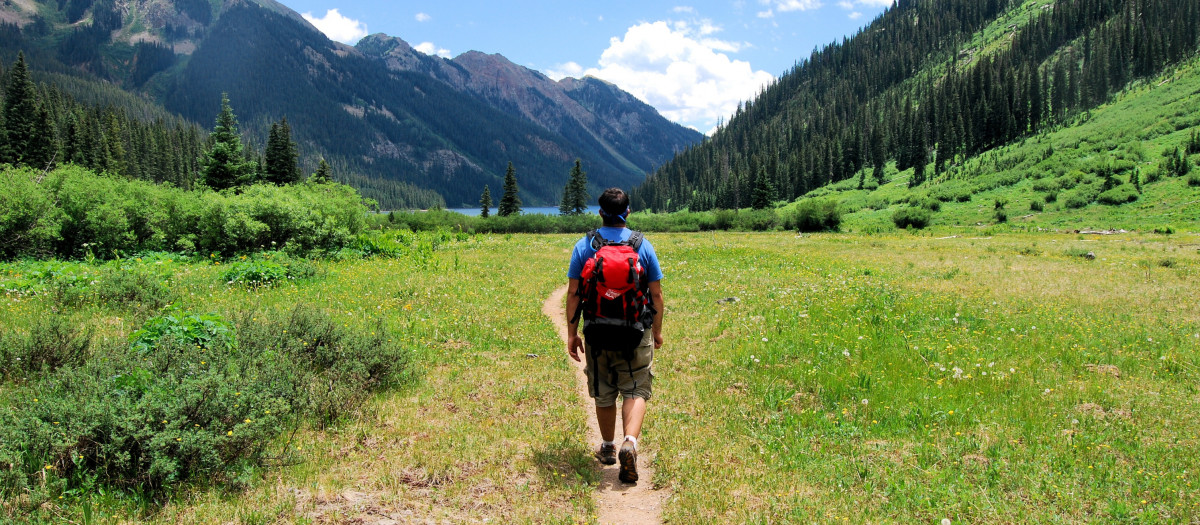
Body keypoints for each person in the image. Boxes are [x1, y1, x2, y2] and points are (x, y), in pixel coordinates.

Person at [565, 187, 664, 484]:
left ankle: (607, 447)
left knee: (604, 388)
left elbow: (573, 293)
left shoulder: (585, 245)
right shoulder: (642, 246)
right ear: (628, 212)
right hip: (635, 332)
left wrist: (572, 333)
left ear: (600, 213)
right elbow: (656, 295)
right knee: (635, 388)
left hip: (597, 331)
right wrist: (657, 332)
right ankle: (629, 443)